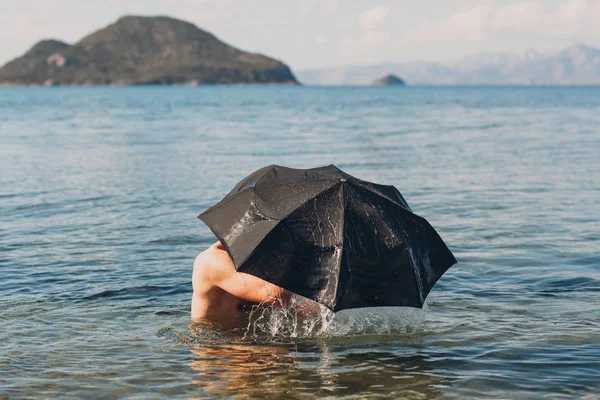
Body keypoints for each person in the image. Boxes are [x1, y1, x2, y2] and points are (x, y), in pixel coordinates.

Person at [192, 241, 318, 328]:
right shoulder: (212, 261)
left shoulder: (257, 256)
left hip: (252, 340)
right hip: (217, 343)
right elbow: (276, 295)